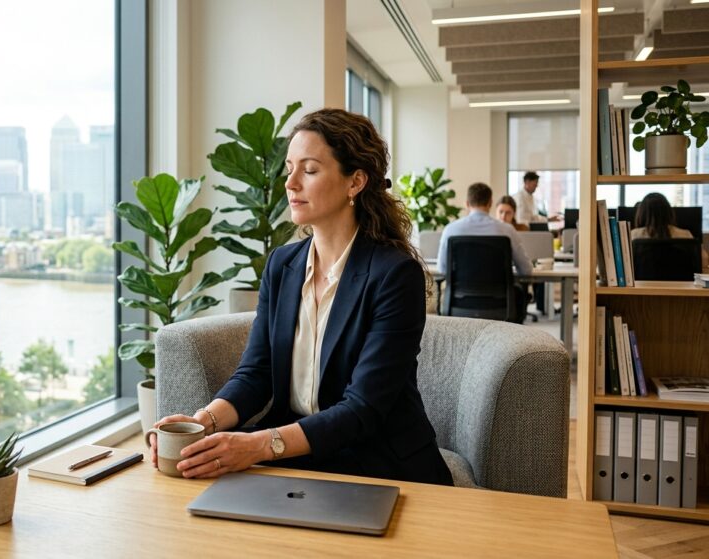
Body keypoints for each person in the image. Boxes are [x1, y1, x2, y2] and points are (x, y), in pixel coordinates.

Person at [150, 108, 453, 486]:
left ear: (355, 182)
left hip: (377, 461)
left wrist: (258, 445)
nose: (290, 183)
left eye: (308, 170)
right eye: (289, 168)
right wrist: (203, 421)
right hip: (297, 454)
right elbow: (256, 374)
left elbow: (364, 409)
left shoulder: (394, 274)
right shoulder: (282, 264)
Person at [437, 182, 532, 322]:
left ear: (467, 203)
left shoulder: (450, 230)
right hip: (499, 304)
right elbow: (526, 270)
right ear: (490, 203)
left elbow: (442, 269)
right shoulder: (507, 230)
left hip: (460, 302)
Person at [632, 192, 709, 271]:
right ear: (669, 212)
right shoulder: (685, 234)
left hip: (642, 283)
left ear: (641, 213)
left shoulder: (633, 235)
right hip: (680, 283)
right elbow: (704, 261)